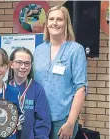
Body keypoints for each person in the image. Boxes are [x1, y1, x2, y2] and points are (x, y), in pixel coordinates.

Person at [33, 6, 88, 139]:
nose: (55, 23)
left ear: (66, 23)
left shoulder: (75, 50)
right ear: (46, 23)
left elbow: (80, 89)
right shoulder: (39, 50)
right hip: (38, 118)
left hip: (62, 120)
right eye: (51, 19)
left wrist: (70, 122)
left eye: (59, 19)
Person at [7, 47, 51, 139]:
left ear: (31, 66)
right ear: (11, 64)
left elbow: (43, 121)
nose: (23, 67)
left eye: (27, 63)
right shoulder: (4, 88)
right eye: (19, 62)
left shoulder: (37, 89)